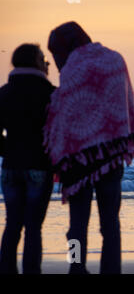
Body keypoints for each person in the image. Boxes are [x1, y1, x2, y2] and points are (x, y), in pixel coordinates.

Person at [43, 22, 134, 274]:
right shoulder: (115, 60)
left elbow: (62, 112)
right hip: (111, 156)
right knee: (110, 224)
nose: (56, 60)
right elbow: (126, 103)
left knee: (77, 223)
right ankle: (111, 270)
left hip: (80, 160)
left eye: (55, 53)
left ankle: (76, 268)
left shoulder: (73, 68)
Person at [0, 44, 55, 274]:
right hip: (39, 166)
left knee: (12, 224)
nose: (47, 64)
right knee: (33, 226)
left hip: (11, 166)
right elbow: (60, 132)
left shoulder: (4, 92)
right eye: (44, 59)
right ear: (35, 61)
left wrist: (8, 149)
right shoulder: (50, 94)